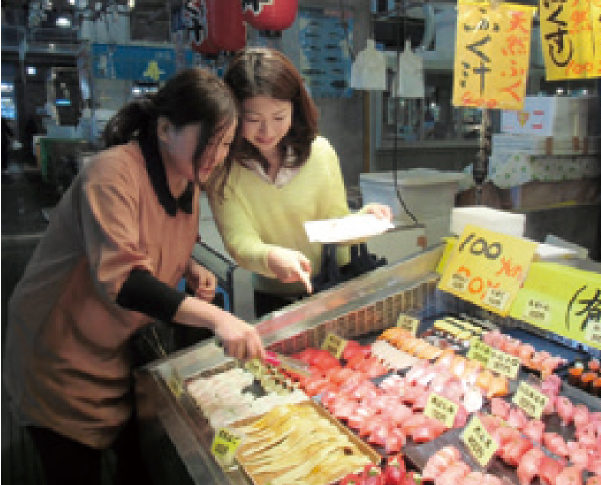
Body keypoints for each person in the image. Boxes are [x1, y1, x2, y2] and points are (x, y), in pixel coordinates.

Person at [2, 68, 267, 485]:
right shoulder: (111, 174)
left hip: (114, 348)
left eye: (227, 144)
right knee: (73, 468)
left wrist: (190, 268)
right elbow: (124, 277)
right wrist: (217, 318)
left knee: (137, 461)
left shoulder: (188, 180)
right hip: (57, 350)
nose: (218, 156)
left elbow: (161, 241)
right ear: (165, 129)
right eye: (211, 142)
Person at [208, 48, 391, 316]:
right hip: (273, 295)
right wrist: (271, 258)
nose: (267, 132)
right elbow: (239, 242)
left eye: (279, 117)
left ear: (296, 106)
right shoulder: (222, 168)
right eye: (253, 120)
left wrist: (365, 218)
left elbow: (334, 222)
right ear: (233, 115)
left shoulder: (320, 152)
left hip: (334, 283)